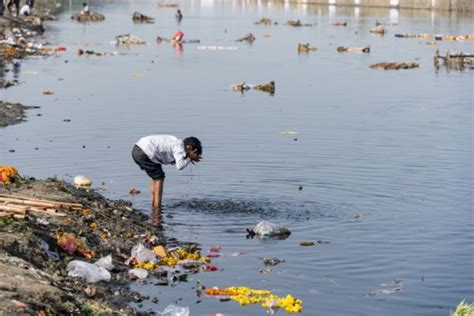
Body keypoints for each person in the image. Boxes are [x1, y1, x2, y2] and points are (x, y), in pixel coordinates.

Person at [132, 135, 202, 209]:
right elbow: (180, 166)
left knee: (155, 177)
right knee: (159, 177)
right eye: (194, 153)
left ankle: (153, 204)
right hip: (145, 151)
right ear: (190, 148)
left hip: (137, 149)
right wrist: (189, 158)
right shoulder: (180, 148)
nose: (193, 156)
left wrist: (188, 157)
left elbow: (174, 159)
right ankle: (157, 207)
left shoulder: (177, 143)